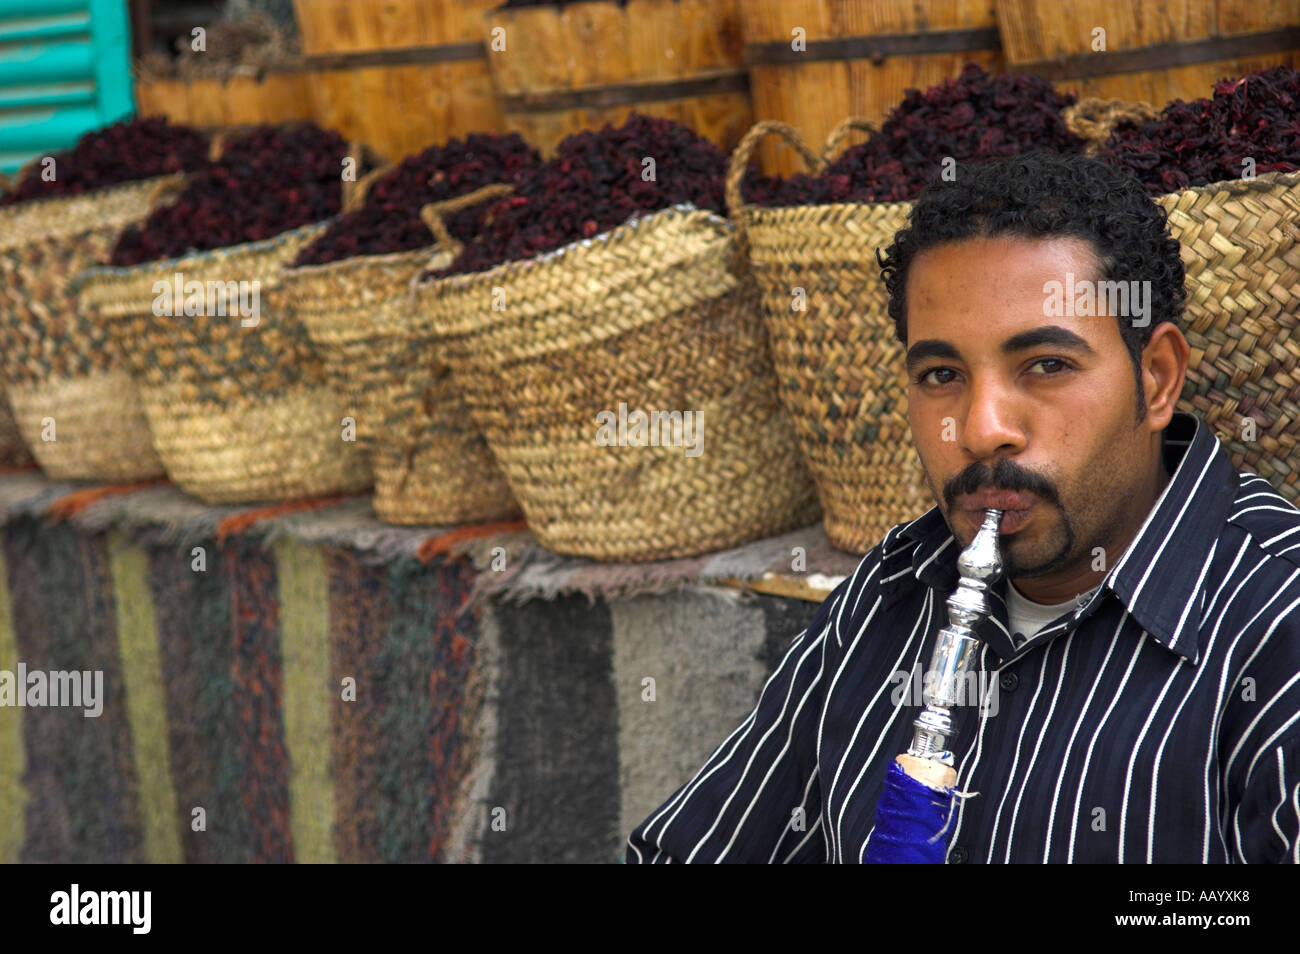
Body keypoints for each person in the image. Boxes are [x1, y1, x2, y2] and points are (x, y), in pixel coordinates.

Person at [625, 151, 1300, 863]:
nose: (980, 431)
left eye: (1046, 365)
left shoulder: (1276, 623)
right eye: (941, 375)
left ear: (1156, 379)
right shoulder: (891, 593)